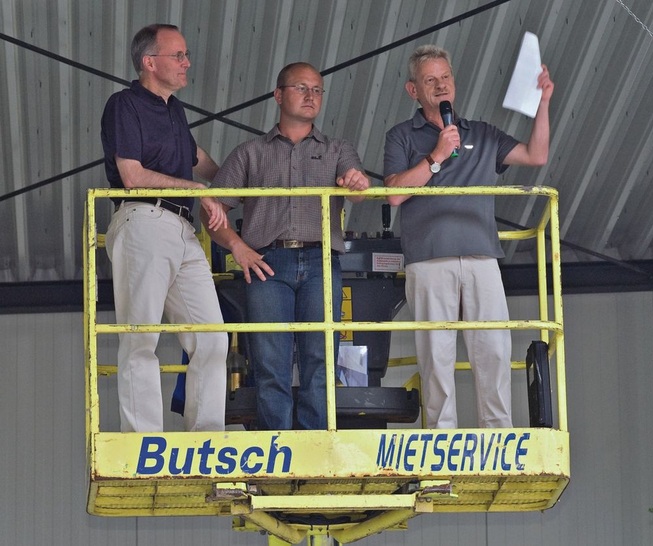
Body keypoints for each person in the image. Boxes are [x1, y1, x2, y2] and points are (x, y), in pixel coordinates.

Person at [383, 45, 554, 429]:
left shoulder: (482, 133)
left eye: (445, 77)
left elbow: (536, 155)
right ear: (414, 90)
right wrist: (436, 156)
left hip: (481, 255)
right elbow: (394, 193)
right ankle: (442, 442)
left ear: (454, 83)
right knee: (435, 355)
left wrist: (543, 102)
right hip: (429, 259)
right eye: (430, 80)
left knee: (494, 349)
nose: (440, 85)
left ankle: (498, 437)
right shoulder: (401, 136)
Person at [205, 62, 370, 430]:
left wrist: (357, 182)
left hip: (322, 259)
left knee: (321, 358)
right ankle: (277, 454)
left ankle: (315, 451)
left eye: (317, 90)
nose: (311, 96)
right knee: (269, 362)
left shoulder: (338, 149)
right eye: (301, 88)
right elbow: (212, 208)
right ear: (278, 95)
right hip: (267, 262)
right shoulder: (249, 153)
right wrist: (238, 246)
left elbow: (359, 189)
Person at [101, 24, 229, 432]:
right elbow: (132, 176)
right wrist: (200, 189)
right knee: (141, 338)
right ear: (149, 62)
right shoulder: (125, 104)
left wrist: (240, 185)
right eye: (179, 55)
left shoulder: (175, 109)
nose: (187, 62)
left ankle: (204, 441)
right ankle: (143, 442)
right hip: (143, 219)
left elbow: (198, 159)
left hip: (181, 226)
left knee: (212, 338)